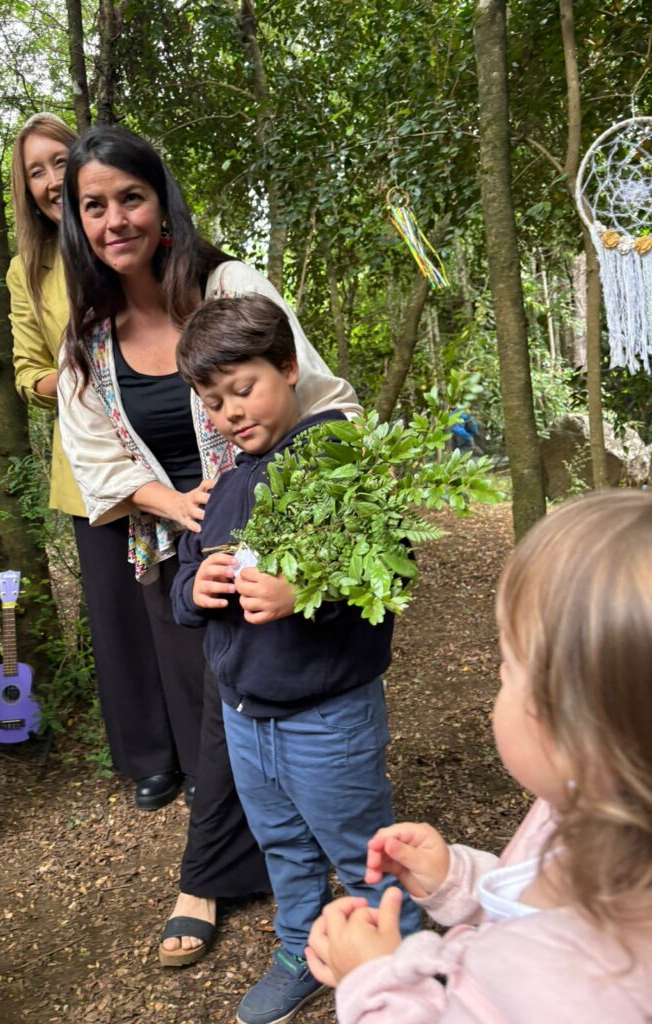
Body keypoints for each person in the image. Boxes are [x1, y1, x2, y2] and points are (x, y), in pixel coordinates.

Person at [56, 125, 362, 964]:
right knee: (218, 708)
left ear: (162, 204)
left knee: (265, 696)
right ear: (77, 222)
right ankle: (274, 858)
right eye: (94, 206)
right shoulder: (88, 336)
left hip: (277, 526)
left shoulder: (227, 285)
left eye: (131, 197)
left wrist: (312, 517)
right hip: (178, 549)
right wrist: (180, 506)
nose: (115, 220)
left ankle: (210, 878)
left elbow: (313, 388)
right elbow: (94, 456)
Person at [306, 489, 652, 1023]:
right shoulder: (591, 805)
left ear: (578, 733)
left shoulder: (581, 981)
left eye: (511, 665)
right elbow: (533, 902)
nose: (498, 673)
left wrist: (374, 980)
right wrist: (459, 881)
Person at [171, 293, 421, 1024]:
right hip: (244, 715)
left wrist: (304, 589)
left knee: (361, 847)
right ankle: (300, 949)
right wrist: (196, 587)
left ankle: (407, 960)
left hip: (327, 717)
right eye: (214, 403)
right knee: (280, 839)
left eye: (243, 388)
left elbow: (392, 567)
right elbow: (186, 573)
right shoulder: (225, 486)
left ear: (286, 366)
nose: (232, 413)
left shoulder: (337, 458)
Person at [9, 113, 183, 811]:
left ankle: (205, 744)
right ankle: (151, 758)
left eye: (60, 162)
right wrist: (83, 377)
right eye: (36, 172)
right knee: (121, 618)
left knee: (178, 601)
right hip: (93, 474)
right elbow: (28, 372)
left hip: (167, 451)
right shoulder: (28, 272)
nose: (51, 180)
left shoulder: (134, 241)